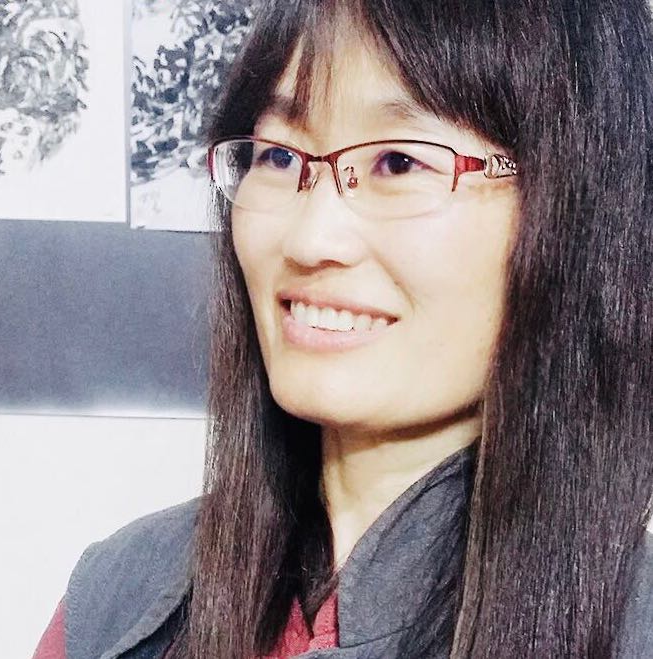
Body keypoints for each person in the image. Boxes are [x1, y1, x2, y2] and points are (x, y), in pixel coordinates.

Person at [33, 0, 653, 657]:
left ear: (579, 213)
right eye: (277, 155)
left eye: (399, 163)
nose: (310, 238)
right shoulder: (117, 603)